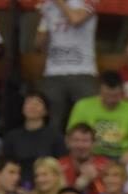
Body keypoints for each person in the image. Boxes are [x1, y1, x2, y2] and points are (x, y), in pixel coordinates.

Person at [35, 0, 98, 129]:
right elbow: (38, 45)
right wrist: (44, 15)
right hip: (53, 73)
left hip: (83, 72)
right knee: (52, 123)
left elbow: (75, 19)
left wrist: (58, 3)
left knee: (86, 121)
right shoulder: (49, 5)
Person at [66, 71, 128, 162]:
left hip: (121, 155)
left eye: (115, 96)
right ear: (99, 90)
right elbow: (72, 135)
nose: (111, 100)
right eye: (108, 95)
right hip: (91, 154)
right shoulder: (82, 106)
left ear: (122, 92)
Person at [2, 93, 68, 184]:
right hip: (17, 184)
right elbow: (6, 165)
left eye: (37, 103)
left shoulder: (56, 136)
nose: (32, 107)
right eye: (28, 103)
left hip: (47, 183)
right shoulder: (12, 136)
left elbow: (62, 164)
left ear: (46, 111)